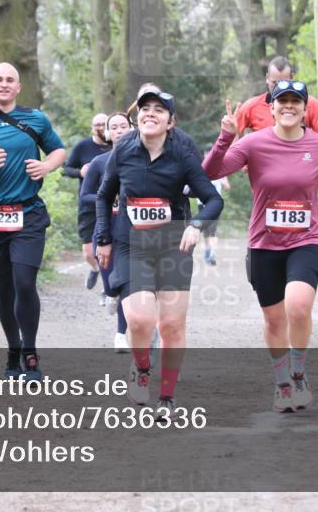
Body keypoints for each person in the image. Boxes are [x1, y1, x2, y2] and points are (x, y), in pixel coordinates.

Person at [203, 80, 318, 413]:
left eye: (296, 101)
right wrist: (226, 136)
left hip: (305, 240)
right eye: (282, 101)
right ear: (271, 108)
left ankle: (298, 374)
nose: (288, 106)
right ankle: (282, 384)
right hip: (264, 243)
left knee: (297, 306)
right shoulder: (253, 143)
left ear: (304, 109)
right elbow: (210, 171)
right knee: (273, 321)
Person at [96, 91, 223, 414]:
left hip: (172, 244)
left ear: (171, 121)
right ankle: (141, 370)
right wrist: (103, 238)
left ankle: (167, 397)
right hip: (131, 243)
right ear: (137, 117)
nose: (150, 114)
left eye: (159, 110)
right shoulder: (123, 148)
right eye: (144, 109)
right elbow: (103, 195)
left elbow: (213, 199)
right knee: (139, 319)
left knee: (171, 325)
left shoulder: (182, 151)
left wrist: (196, 225)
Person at [0, 63, 66, 381]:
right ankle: (12, 351)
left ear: (18, 87)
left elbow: (59, 150)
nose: (4, 84)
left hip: (29, 213)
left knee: (24, 282)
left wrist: (47, 166)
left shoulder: (36, 119)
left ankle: (30, 356)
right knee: (5, 288)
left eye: (10, 80)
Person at [79, 112, 133, 351]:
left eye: (124, 125)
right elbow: (85, 195)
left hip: (131, 231)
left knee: (123, 283)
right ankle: (108, 292)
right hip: (104, 229)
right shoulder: (100, 163)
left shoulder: (141, 161)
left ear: (132, 128)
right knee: (110, 282)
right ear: (108, 133)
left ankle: (121, 333)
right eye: (115, 127)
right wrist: (109, 198)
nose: (120, 130)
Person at [62, 113, 110, 292]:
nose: (99, 127)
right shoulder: (83, 147)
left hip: (111, 205)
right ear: (92, 127)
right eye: (96, 124)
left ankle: (108, 287)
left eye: (103, 124)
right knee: (89, 253)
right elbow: (65, 169)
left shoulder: (117, 147)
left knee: (109, 249)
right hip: (88, 204)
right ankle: (95, 269)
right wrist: (80, 172)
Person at [234, 56, 318, 136]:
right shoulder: (251, 106)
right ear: (267, 78)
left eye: (283, 83)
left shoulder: (310, 104)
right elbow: (232, 135)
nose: (279, 88)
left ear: (292, 78)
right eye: (275, 83)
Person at [199, 154, 230, 265]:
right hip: (202, 204)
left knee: (212, 230)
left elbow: (227, 186)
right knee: (207, 231)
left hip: (214, 204)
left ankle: (212, 253)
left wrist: (222, 179)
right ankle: (209, 251)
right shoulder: (200, 167)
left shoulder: (219, 169)